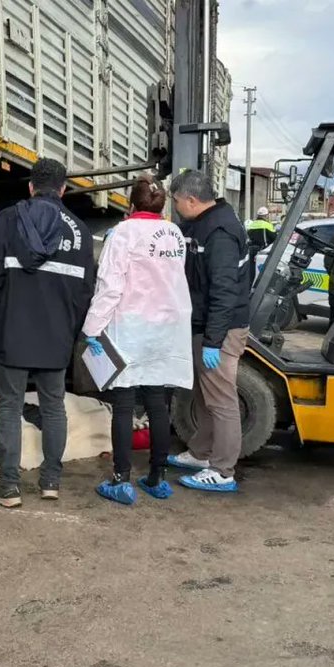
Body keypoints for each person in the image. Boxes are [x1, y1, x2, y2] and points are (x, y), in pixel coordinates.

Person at [0, 158, 96, 508]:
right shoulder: (80, 232)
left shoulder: (7, 221)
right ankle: (51, 482)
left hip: (11, 333)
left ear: (30, 186)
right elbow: (85, 291)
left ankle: (8, 487)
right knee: (54, 407)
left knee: (9, 408)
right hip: (56, 336)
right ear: (63, 190)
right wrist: (73, 331)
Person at [81, 175, 193, 505]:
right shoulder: (174, 234)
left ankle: (121, 479)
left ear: (131, 204)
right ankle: (157, 477)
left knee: (125, 402)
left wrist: (92, 328)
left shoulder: (123, 233)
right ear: (162, 205)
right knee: (158, 401)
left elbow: (110, 286)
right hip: (167, 328)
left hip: (131, 326)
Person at [162, 170, 253, 493]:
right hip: (205, 325)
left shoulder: (221, 232)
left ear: (191, 200)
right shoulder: (203, 223)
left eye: (175, 201)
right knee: (203, 394)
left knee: (222, 399)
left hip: (222, 329)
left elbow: (224, 291)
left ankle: (223, 469)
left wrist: (214, 341)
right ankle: (201, 454)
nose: (174, 207)